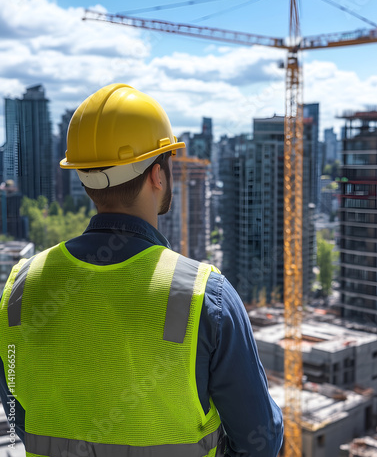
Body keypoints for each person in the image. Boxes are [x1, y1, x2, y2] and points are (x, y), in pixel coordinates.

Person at [0, 83, 283, 457]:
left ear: (83, 177)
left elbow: (18, 415)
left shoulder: (19, 289)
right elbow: (259, 441)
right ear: (157, 174)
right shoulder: (204, 296)